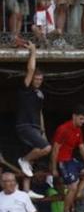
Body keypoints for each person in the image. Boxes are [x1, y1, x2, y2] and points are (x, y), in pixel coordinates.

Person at [12, 48, 51, 180]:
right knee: (46, 148)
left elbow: (39, 112)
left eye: (40, 79)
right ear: (32, 79)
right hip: (25, 125)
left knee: (42, 150)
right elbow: (30, 69)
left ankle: (27, 162)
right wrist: (33, 52)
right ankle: (24, 160)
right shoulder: (26, 89)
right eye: (36, 79)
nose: (38, 81)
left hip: (35, 127)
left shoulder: (40, 94)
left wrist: (43, 131)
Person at [50, 105, 84, 212]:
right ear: (74, 116)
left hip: (70, 160)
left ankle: (75, 197)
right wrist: (54, 167)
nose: (83, 121)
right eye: (81, 118)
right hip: (62, 161)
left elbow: (82, 148)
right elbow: (55, 149)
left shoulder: (78, 130)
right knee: (73, 187)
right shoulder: (63, 129)